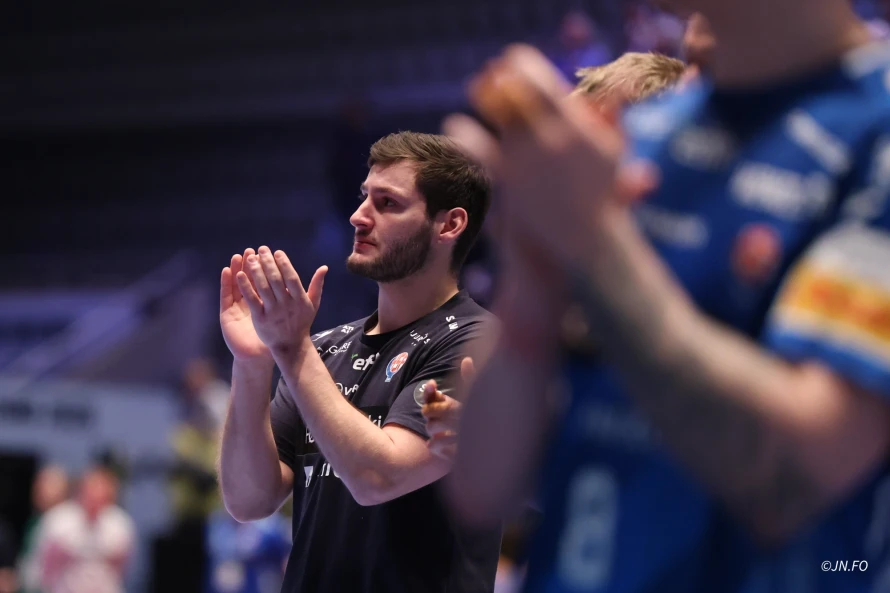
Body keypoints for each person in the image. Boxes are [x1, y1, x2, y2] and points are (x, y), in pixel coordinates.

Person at [444, 1, 890, 592]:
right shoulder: (647, 132)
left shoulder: (876, 133)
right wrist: (531, 267)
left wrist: (591, 241)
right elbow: (482, 486)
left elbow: (794, 482)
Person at [217, 130, 500, 593]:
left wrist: (292, 350)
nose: (358, 216)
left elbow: (376, 478)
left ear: (449, 225)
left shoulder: (479, 343)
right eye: (363, 197)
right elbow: (248, 500)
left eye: (387, 203)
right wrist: (251, 364)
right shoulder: (324, 350)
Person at [36, 466, 135, 593]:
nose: (96, 498)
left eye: (102, 494)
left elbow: (122, 568)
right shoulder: (59, 521)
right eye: (92, 491)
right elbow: (45, 567)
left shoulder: (119, 524)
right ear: (81, 491)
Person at [18, 464, 70, 593]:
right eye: (38, 485)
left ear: (63, 490)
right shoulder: (35, 520)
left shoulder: (66, 523)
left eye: (46, 485)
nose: (39, 491)